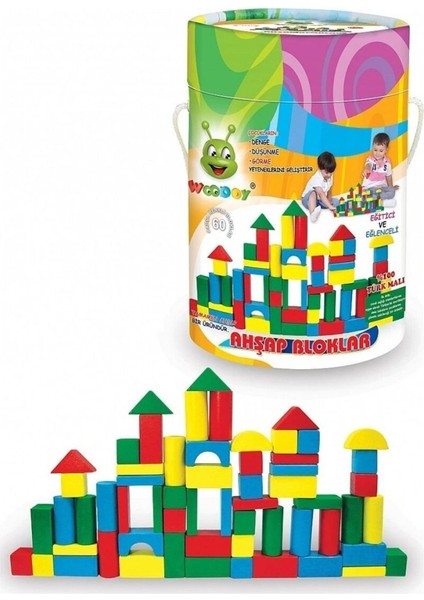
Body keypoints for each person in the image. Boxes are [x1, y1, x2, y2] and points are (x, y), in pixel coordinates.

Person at [362, 132, 399, 207]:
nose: (377, 153)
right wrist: (367, 169)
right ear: (373, 148)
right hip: (369, 188)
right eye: (375, 150)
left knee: (392, 192)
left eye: (381, 151)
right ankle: (381, 202)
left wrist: (391, 187)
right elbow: (368, 165)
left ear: (386, 150)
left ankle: (375, 200)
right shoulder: (370, 159)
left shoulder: (387, 163)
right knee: (364, 196)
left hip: (381, 188)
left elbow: (389, 176)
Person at [301, 151, 338, 222]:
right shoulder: (316, 178)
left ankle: (318, 207)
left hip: (319, 201)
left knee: (336, 201)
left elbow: (329, 190)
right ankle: (313, 214)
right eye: (327, 172)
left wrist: (330, 203)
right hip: (307, 200)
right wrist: (329, 206)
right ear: (320, 169)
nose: (329, 175)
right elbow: (320, 193)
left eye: (331, 172)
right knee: (313, 193)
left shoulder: (330, 176)